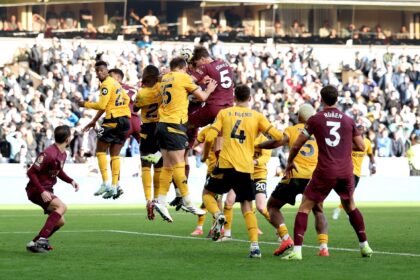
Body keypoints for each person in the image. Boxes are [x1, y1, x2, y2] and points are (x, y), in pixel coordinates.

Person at [281, 85, 373, 260]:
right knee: (350, 206)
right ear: (337, 99)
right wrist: (342, 145)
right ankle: (365, 246)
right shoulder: (348, 120)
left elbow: (297, 144)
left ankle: (297, 252)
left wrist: (289, 162)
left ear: (321, 99)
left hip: (325, 170)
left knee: (305, 206)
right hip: (346, 171)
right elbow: (361, 146)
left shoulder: (316, 119)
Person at [202, 84, 283, 258]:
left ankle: (217, 215)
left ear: (234, 98)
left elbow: (210, 137)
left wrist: (204, 155)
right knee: (247, 207)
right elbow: (278, 138)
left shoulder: (224, 113)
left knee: (208, 194)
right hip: (245, 168)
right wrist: (265, 144)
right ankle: (255, 247)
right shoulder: (257, 116)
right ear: (250, 98)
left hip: (224, 164)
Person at [257, 104, 329, 257]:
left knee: (272, 206)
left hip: (294, 175)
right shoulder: (321, 131)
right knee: (318, 210)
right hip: (314, 177)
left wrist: (257, 145)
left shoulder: (291, 130)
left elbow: (276, 143)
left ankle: (285, 238)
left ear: (299, 116)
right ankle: (323, 248)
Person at [153, 57, 217, 222]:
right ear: (183, 67)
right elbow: (202, 97)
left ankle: (160, 200)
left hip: (161, 125)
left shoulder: (165, 78)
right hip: (175, 124)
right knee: (179, 164)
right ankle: (187, 200)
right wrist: (209, 89)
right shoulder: (183, 77)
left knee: (167, 166)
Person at [79, 61, 130, 199]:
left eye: (101, 71)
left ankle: (106, 183)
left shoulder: (106, 84)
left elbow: (101, 104)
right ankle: (114, 186)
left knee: (100, 150)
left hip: (113, 120)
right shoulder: (116, 83)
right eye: (97, 71)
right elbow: (126, 98)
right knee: (115, 154)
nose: (99, 74)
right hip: (125, 120)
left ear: (106, 71)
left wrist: (85, 104)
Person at [26, 125, 80, 253]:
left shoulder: (63, 154)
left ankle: (34, 243)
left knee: (60, 222)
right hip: (36, 189)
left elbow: (58, 171)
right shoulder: (48, 153)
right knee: (62, 207)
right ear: (68, 139)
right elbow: (31, 172)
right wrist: (42, 191)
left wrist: (70, 181)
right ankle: (42, 239)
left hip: (47, 190)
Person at [218, 133, 271, 242]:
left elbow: (265, 157)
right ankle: (227, 235)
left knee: (261, 207)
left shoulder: (265, 140)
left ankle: (280, 230)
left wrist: (254, 161)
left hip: (259, 175)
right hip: (244, 174)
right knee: (228, 201)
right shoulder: (245, 138)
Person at [133, 65, 162, 220]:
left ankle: (148, 200)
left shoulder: (141, 93)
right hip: (160, 128)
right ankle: (157, 199)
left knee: (145, 166)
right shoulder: (161, 88)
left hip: (147, 130)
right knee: (158, 167)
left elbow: (135, 108)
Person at [332, 124, 376, 219]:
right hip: (348, 171)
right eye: (358, 130)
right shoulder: (349, 141)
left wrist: (373, 165)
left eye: (361, 129)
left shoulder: (367, 142)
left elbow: (370, 155)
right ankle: (349, 212)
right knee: (349, 193)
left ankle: (342, 210)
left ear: (364, 131)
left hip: (357, 172)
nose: (359, 131)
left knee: (349, 194)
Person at [190, 125, 223, 236]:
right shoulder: (208, 130)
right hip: (219, 170)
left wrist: (203, 157)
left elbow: (195, 145)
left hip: (216, 171)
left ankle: (213, 228)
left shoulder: (209, 131)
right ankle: (216, 228)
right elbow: (194, 144)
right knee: (216, 199)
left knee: (209, 198)